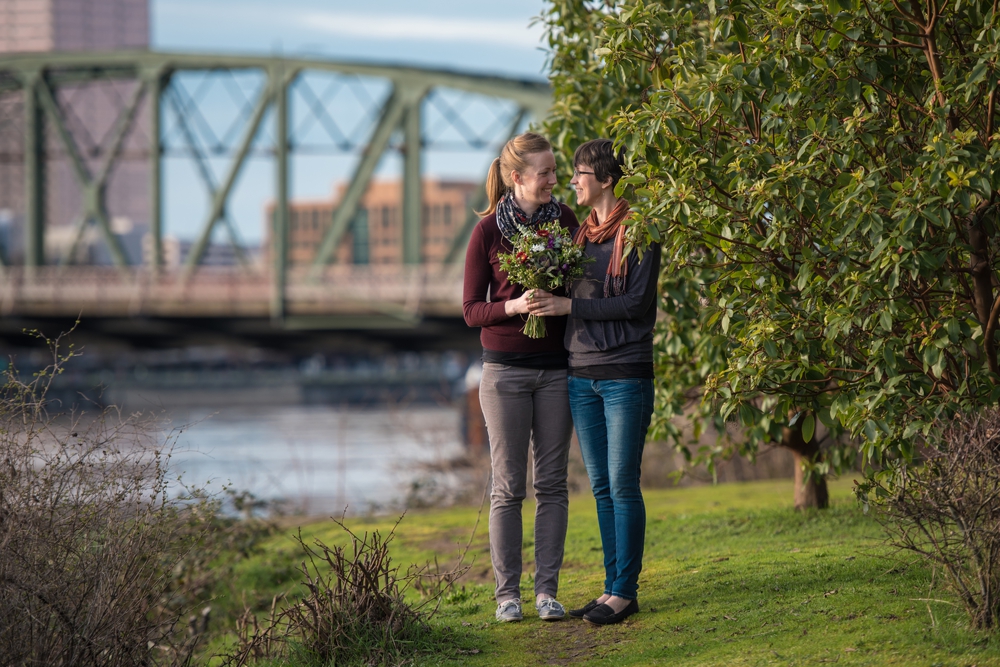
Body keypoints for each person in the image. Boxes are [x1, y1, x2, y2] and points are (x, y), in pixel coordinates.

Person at [528, 138, 660, 626]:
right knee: (601, 486)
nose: (573, 181)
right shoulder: (577, 236)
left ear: (605, 180)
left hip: (625, 373)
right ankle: (610, 589)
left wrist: (569, 306)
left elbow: (635, 306)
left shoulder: (640, 233)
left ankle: (626, 592)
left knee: (624, 484)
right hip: (581, 375)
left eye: (581, 172)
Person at [462, 132, 579, 623]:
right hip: (504, 373)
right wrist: (513, 305)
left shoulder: (567, 222)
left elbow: (581, 283)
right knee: (508, 488)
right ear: (517, 178)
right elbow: (471, 310)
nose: (555, 179)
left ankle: (546, 593)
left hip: (556, 372)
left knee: (552, 484)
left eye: (555, 171)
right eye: (546, 172)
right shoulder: (488, 230)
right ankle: (507, 596)